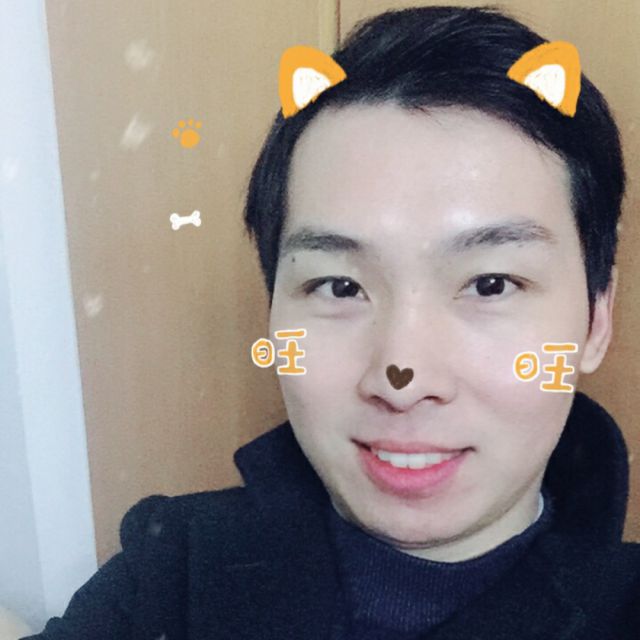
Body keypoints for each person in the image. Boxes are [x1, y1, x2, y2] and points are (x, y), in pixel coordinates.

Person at [24, 5, 640, 639]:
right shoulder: (168, 576)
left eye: (490, 284)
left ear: (596, 320)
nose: (402, 377)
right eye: (340, 286)